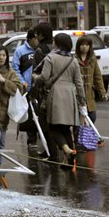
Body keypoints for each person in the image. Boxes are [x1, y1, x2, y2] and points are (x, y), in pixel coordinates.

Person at [33, 33, 86, 168]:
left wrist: (35, 77)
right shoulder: (73, 60)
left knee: (52, 127)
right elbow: (79, 84)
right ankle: (68, 160)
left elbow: (44, 77)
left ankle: (67, 151)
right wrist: (82, 102)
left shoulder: (51, 57)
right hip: (70, 95)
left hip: (55, 94)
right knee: (66, 128)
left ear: (58, 44)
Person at [31, 22, 58, 162]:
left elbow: (36, 74)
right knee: (58, 122)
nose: (36, 36)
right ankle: (54, 151)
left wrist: (33, 94)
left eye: (37, 33)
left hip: (44, 92)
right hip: (58, 90)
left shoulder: (39, 51)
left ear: (41, 34)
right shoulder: (56, 48)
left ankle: (52, 154)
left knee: (44, 123)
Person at [74, 35, 107, 144]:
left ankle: (86, 138)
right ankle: (79, 141)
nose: (84, 47)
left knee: (92, 116)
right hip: (77, 95)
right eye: (82, 44)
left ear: (90, 46)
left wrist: (102, 92)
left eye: (87, 45)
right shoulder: (74, 59)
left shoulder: (92, 59)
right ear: (78, 46)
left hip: (89, 94)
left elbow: (98, 76)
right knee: (78, 120)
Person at [11, 28, 39, 148]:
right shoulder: (20, 51)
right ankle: (31, 139)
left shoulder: (40, 50)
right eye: (36, 39)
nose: (38, 41)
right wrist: (22, 82)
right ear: (31, 38)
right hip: (26, 89)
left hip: (39, 88)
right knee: (29, 114)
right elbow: (15, 69)